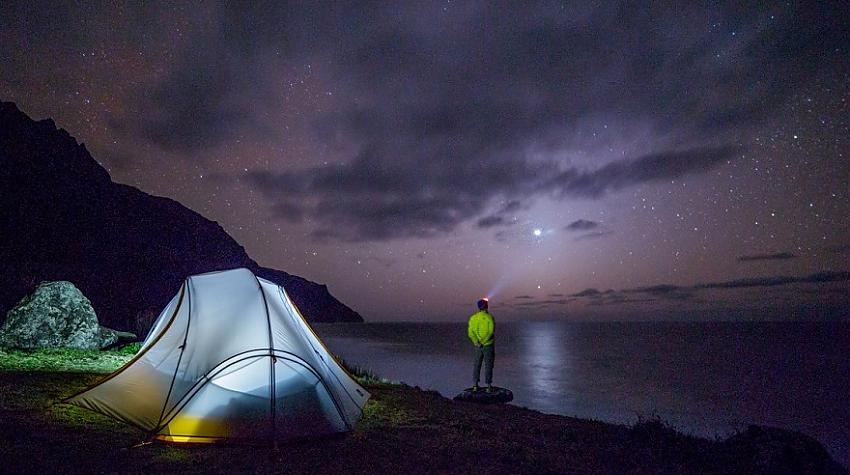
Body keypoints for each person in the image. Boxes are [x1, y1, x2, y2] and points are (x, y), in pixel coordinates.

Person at [468, 297, 495, 392]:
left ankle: (475, 386)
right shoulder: (489, 317)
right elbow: (491, 331)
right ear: (486, 307)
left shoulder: (473, 318)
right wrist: (484, 342)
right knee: (488, 365)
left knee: (477, 364)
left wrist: (477, 342)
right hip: (488, 345)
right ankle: (488, 386)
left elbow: (470, 333)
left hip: (477, 346)